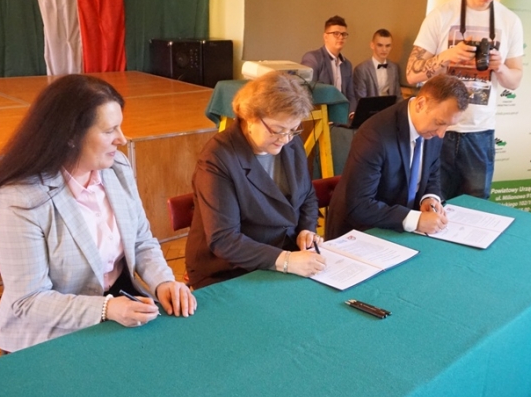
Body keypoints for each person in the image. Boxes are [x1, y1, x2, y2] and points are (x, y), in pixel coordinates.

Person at [0, 75, 196, 353]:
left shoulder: (117, 168)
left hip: (118, 303)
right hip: (50, 332)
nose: (122, 139)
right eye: (110, 130)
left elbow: (142, 241)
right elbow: (29, 300)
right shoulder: (20, 198)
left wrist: (163, 282)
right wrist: (106, 308)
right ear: (71, 136)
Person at [186, 71, 326, 289]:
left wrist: (306, 230)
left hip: (283, 252)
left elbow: (306, 195)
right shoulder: (218, 159)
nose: (285, 139)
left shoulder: (290, 143)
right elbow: (224, 239)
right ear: (251, 118)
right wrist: (286, 260)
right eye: (278, 130)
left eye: (293, 130)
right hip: (228, 269)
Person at [407, 0, 523, 200]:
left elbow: (515, 80)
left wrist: (500, 67)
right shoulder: (441, 16)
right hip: (438, 131)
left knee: (477, 209)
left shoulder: (510, 21)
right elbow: (411, 74)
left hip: (480, 133)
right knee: (429, 202)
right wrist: (445, 57)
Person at [326, 75, 469, 240]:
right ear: (421, 104)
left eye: (448, 125)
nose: (441, 134)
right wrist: (416, 220)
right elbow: (360, 206)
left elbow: (432, 174)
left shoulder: (433, 130)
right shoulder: (375, 135)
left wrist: (430, 198)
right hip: (361, 231)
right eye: (439, 122)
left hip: (401, 228)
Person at [302, 15, 356, 113]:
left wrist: (352, 113)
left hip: (343, 115)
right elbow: (308, 92)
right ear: (325, 37)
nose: (341, 37)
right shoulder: (313, 58)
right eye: (336, 33)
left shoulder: (347, 65)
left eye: (344, 34)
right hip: (321, 115)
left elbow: (351, 96)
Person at [352, 29, 402, 101]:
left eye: (387, 46)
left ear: (391, 47)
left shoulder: (394, 68)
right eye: (380, 45)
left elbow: (398, 95)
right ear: (372, 45)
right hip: (370, 107)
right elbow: (361, 99)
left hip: (390, 107)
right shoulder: (361, 69)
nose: (384, 49)